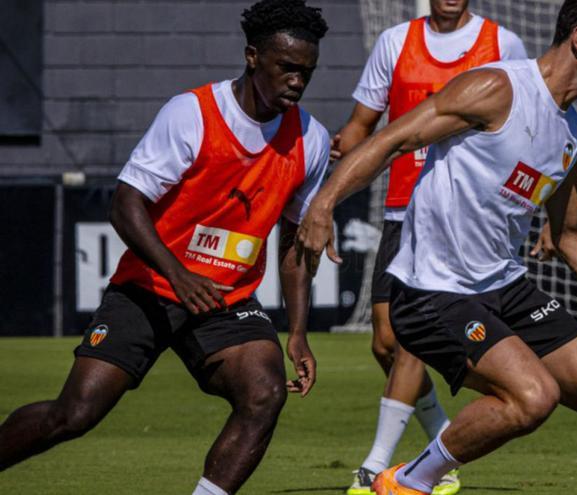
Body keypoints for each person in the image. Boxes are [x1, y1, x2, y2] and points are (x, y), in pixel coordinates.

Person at [296, 0, 577, 493]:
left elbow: (572, 236)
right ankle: (407, 483)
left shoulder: (573, 134)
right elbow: (393, 139)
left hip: (505, 288)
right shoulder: (496, 88)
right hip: (430, 292)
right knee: (533, 396)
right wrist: (323, 203)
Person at [0, 1, 330, 493]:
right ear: (252, 57)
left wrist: (299, 331)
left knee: (263, 394)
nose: (297, 82)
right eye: (287, 68)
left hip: (226, 301)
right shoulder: (191, 113)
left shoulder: (312, 139)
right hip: (150, 286)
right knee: (75, 414)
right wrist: (179, 275)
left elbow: (296, 244)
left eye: (307, 72)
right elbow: (126, 204)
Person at [333, 1, 527, 494]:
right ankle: (441, 440)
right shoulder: (395, 42)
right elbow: (363, 123)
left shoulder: (502, 45)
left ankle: (377, 467)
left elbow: (531, 126)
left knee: (409, 341)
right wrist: (338, 163)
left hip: (462, 215)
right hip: (402, 210)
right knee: (384, 342)